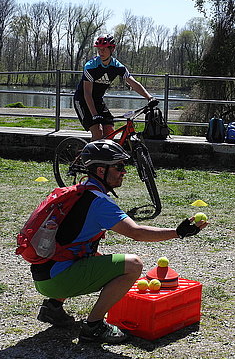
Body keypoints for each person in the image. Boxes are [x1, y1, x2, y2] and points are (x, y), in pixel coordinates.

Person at [32, 139, 207, 344]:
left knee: (93, 255)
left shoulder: (79, 190)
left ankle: (52, 308)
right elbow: (137, 233)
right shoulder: (99, 201)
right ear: (100, 170)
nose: (124, 171)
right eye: (119, 166)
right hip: (56, 280)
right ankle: (94, 326)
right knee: (133, 265)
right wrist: (178, 232)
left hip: (43, 273)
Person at [74, 34, 158, 141]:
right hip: (82, 100)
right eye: (99, 49)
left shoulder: (117, 66)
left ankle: (103, 156)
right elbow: (87, 93)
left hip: (97, 100)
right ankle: (87, 157)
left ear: (112, 49)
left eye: (104, 49)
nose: (101, 52)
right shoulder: (91, 66)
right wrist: (95, 115)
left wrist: (149, 97)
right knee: (97, 131)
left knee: (110, 131)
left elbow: (133, 82)